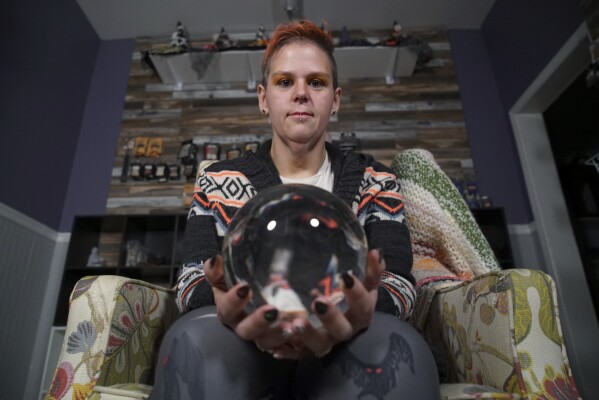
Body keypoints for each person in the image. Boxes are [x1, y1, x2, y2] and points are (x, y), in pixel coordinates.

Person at [149, 19, 440, 400]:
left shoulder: (376, 181)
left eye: (316, 82)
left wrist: (351, 312)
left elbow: (399, 284)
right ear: (263, 99)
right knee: (193, 341)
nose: (301, 93)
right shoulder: (217, 181)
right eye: (285, 82)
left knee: (402, 354)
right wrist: (239, 307)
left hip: (348, 342)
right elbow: (190, 283)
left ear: (334, 100)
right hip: (242, 343)